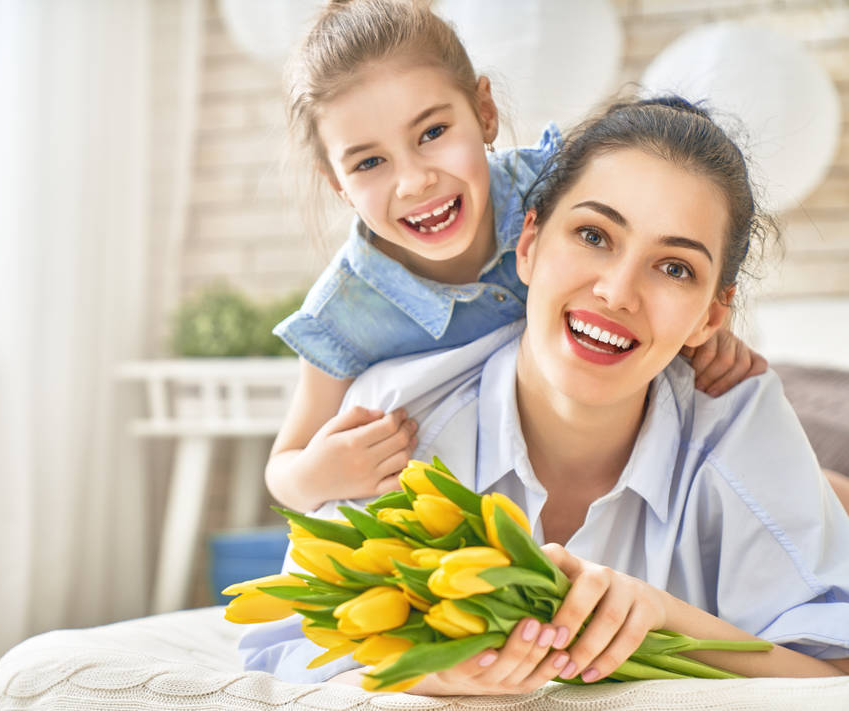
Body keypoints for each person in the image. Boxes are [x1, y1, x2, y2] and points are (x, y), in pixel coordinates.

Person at [239, 96, 849, 692]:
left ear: (709, 318)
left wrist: (661, 616)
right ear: (528, 244)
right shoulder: (395, 417)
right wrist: (423, 671)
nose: (617, 292)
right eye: (593, 234)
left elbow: (833, 668)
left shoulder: (741, 418)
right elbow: (289, 641)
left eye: (674, 268)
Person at [266, 0, 765, 515]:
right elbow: (284, 463)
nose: (414, 181)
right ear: (339, 186)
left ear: (485, 112)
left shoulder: (554, 189)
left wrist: (705, 333)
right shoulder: (345, 311)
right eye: (370, 162)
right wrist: (316, 474)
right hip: (475, 500)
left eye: (433, 133)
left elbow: (657, 243)